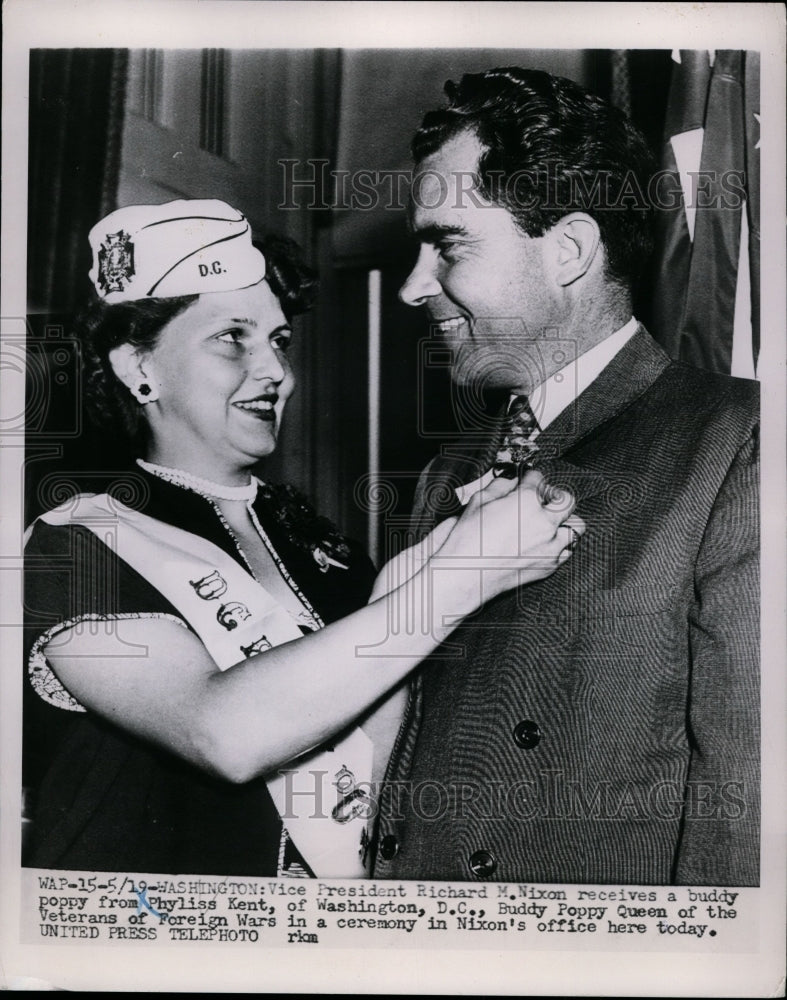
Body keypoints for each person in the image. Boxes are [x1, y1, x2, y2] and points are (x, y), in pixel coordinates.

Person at [22, 198, 584, 878]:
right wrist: (461, 573)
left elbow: (376, 765)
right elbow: (224, 733)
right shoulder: (71, 547)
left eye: (280, 341)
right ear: (137, 366)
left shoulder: (322, 546)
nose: (276, 372)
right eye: (232, 338)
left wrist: (424, 565)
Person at [370, 68, 759, 886]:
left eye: (447, 245)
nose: (411, 287)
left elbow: (744, 816)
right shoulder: (447, 472)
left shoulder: (737, 441)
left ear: (569, 250)